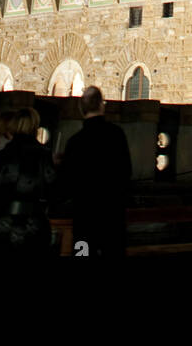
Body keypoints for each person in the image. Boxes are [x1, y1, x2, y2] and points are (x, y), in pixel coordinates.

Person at [56, 86, 132, 257]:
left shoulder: (75, 142)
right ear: (101, 105)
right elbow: (126, 173)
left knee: (83, 254)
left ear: (81, 109)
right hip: (112, 217)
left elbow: (66, 182)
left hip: (84, 218)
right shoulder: (116, 135)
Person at [0, 107, 55, 255]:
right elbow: (53, 190)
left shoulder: (2, 154)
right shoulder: (44, 156)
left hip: (1, 223)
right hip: (33, 225)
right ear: (35, 126)